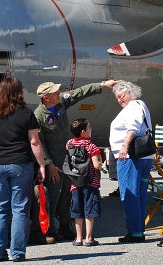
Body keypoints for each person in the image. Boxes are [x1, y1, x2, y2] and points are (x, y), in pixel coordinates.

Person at [32, 79, 115, 243]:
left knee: (67, 193)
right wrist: (49, 164)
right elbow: (39, 142)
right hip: (54, 160)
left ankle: (65, 225)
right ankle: (49, 229)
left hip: (68, 159)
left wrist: (102, 85)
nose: (58, 93)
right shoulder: (38, 116)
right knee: (53, 194)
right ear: (46, 97)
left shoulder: (60, 103)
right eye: (55, 92)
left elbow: (79, 93)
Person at [0, 76, 46, 262]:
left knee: (0, 207)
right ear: (19, 92)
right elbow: (34, 141)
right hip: (20, 162)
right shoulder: (26, 114)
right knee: (20, 208)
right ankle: (17, 252)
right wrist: (41, 164)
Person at [109, 80, 154, 243]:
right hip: (142, 156)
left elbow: (132, 128)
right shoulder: (140, 105)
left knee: (129, 193)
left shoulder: (133, 106)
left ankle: (135, 231)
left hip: (130, 156)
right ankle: (138, 230)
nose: (119, 100)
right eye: (117, 98)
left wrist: (124, 146)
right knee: (139, 194)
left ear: (129, 93)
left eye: (121, 96)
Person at [66, 118, 103, 246]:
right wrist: (101, 163)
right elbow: (96, 164)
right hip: (90, 182)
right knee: (89, 209)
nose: (91, 129)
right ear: (83, 132)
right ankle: (89, 238)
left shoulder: (69, 143)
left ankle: (78, 238)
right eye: (89, 127)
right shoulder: (91, 146)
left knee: (77, 210)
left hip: (75, 182)